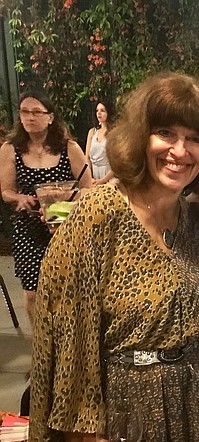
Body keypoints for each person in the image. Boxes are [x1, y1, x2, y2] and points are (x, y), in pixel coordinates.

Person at [29, 72, 199, 442]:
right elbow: (66, 331)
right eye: (165, 133)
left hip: (193, 407)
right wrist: (81, 440)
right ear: (140, 137)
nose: (180, 151)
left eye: (195, 138)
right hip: (122, 413)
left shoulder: (188, 218)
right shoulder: (100, 213)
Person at [0, 90, 90, 324]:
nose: (30, 117)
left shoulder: (68, 147)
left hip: (66, 227)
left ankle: (68, 341)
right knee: (32, 292)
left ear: (50, 117)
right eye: (25, 112)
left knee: (67, 290)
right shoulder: (11, 149)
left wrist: (65, 197)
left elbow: (88, 187)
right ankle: (40, 345)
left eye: (36, 112)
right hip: (29, 227)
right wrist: (18, 198)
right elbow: (6, 191)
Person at [85, 99, 115, 184]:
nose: (99, 113)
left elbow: (117, 162)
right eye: (97, 110)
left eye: (102, 111)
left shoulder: (113, 133)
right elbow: (86, 158)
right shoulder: (92, 132)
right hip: (93, 176)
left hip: (109, 176)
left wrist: (103, 180)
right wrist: (89, 177)